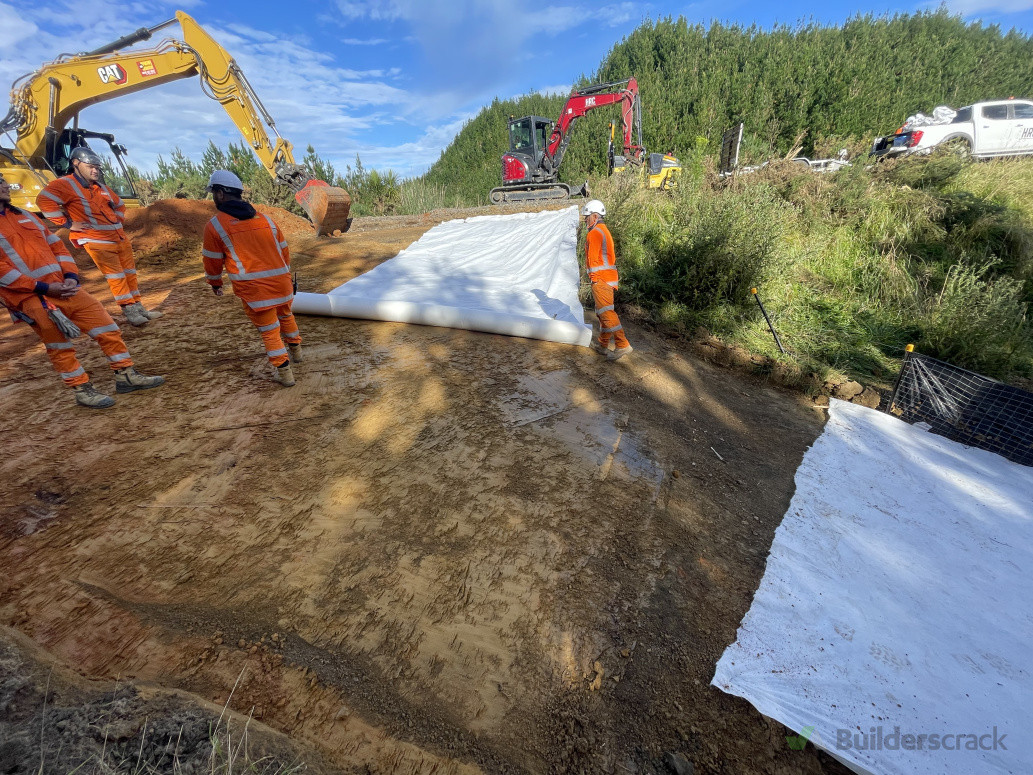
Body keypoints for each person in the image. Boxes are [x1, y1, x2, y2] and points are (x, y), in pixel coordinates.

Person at [0, 173, 165, 408]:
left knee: (106, 326)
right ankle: (82, 389)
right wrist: (44, 287)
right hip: (32, 297)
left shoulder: (24, 216)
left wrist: (70, 276)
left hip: (64, 287)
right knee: (59, 345)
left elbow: (56, 245)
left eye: (3, 179)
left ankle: (125, 375)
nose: (5, 184)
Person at [36, 146, 161, 327]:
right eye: (90, 167)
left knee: (129, 274)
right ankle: (130, 311)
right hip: (96, 240)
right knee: (116, 277)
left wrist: (116, 222)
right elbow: (43, 201)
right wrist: (68, 224)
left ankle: (140, 308)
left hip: (118, 237)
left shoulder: (100, 187)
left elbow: (119, 204)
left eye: (97, 167)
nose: (95, 171)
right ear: (76, 164)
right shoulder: (65, 184)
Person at [201, 170, 301, 387]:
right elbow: (284, 251)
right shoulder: (266, 220)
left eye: (213, 193)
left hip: (255, 292)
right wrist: (284, 275)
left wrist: (215, 283)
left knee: (269, 330)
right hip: (282, 284)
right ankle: (297, 352)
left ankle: (285, 373)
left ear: (220, 194)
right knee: (286, 316)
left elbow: (212, 260)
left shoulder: (216, 225)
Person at [581, 199, 632, 360]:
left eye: (587, 216)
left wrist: (594, 279)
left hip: (601, 279)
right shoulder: (603, 230)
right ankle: (603, 344)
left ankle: (622, 344)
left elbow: (593, 259)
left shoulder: (595, 233)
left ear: (595, 216)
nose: (585, 220)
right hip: (608, 279)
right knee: (602, 312)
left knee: (606, 313)